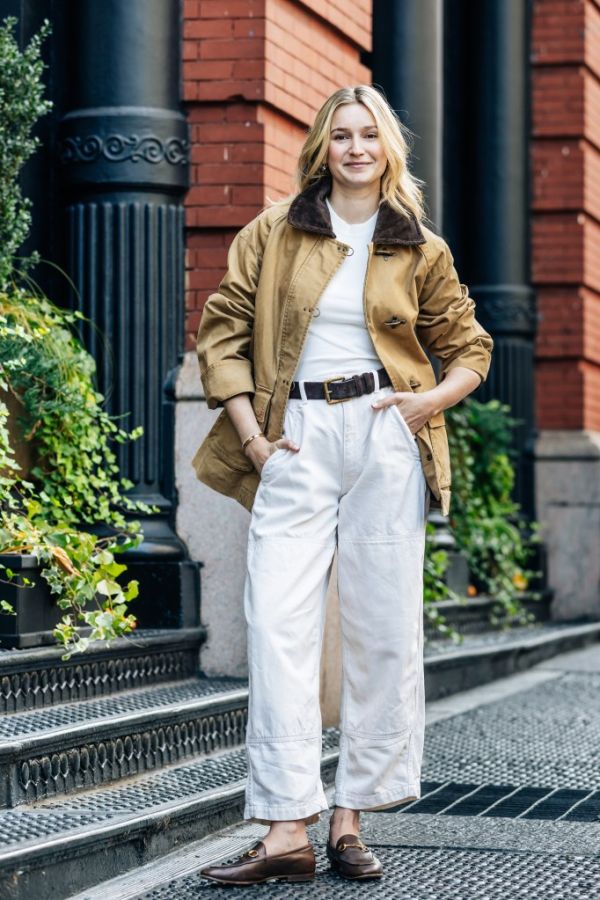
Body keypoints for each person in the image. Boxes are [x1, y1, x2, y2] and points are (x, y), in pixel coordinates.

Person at [193, 84, 493, 885]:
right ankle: (286, 825)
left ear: (388, 148)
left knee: (382, 630)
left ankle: (349, 819)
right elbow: (221, 328)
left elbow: (470, 345)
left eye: (370, 135)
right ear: (322, 146)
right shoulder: (274, 232)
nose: (356, 147)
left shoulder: (419, 247)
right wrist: (254, 441)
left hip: (383, 434)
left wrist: (424, 402)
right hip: (291, 438)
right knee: (277, 623)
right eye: (342, 135)